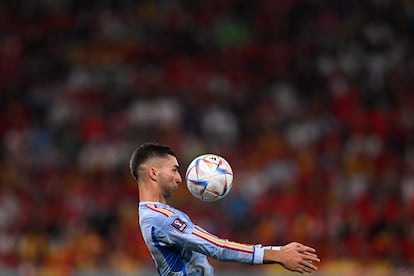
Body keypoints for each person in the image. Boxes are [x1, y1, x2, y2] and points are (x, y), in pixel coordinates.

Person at [129, 142, 320, 275]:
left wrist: (278, 252)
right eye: (174, 170)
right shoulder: (161, 218)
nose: (180, 178)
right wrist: (277, 254)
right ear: (153, 173)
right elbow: (216, 248)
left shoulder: (155, 214)